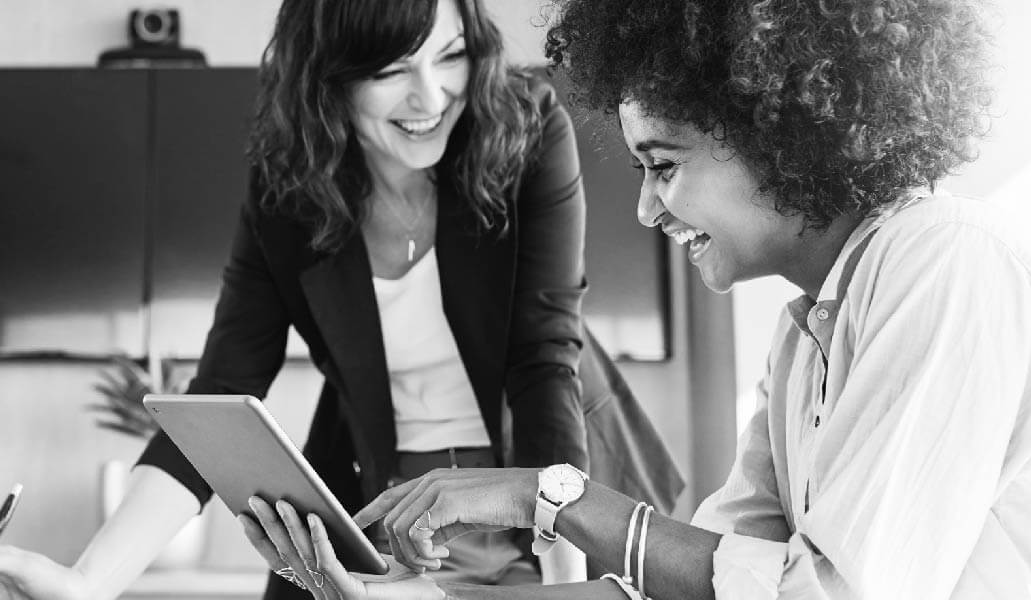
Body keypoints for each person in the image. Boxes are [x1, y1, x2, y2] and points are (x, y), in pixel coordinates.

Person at [232, 0, 1031, 598]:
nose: (644, 209)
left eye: (663, 165)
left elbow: (822, 595)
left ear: (778, 132)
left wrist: (544, 496)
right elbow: (689, 585)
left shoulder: (943, 263)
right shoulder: (805, 340)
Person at [0, 0, 607, 597]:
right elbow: (219, 396)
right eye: (390, 70)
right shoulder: (289, 187)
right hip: (388, 505)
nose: (432, 96)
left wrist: (567, 584)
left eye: (451, 56)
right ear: (327, 79)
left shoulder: (526, 126)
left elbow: (542, 360)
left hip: (540, 483)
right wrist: (87, 583)